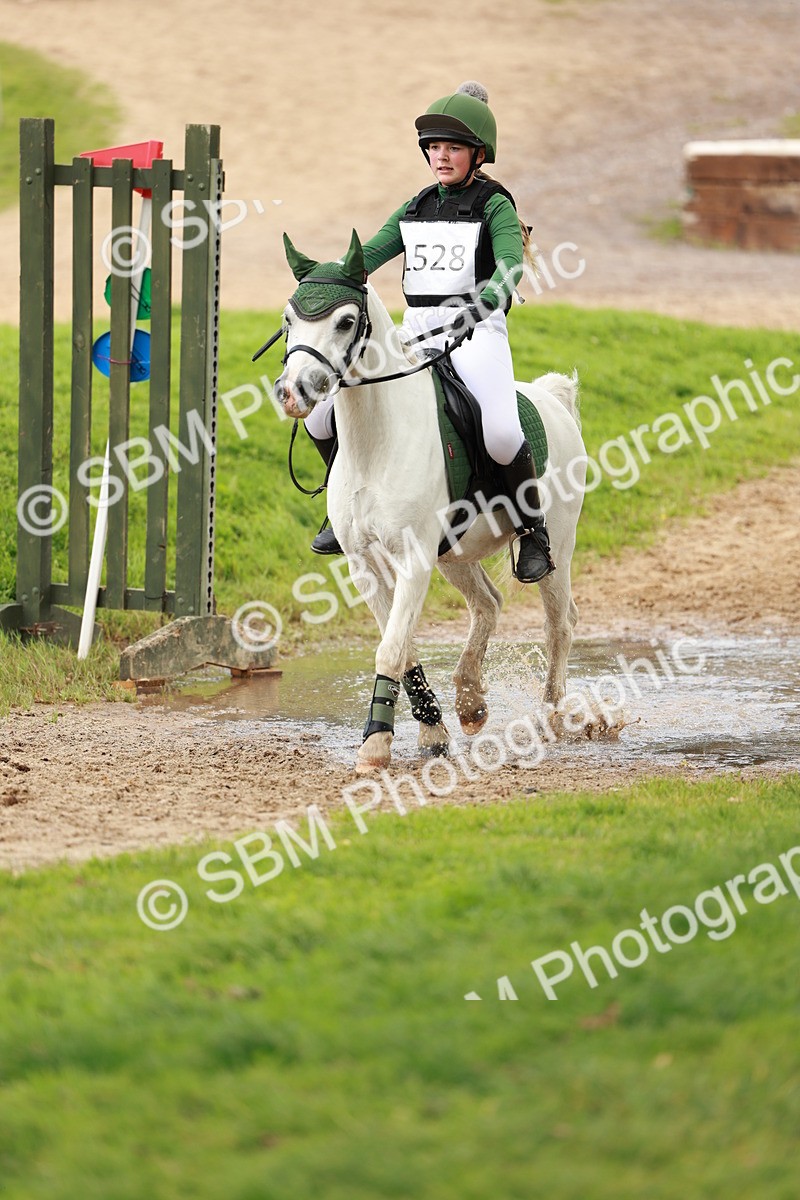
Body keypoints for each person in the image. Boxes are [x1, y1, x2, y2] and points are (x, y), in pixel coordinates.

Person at [304, 80, 555, 583]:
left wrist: (490, 297)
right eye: (434, 147)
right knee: (320, 414)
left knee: (503, 433)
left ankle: (532, 530)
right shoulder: (417, 206)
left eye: (453, 148)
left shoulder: (494, 205)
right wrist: (329, 277)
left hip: (477, 330)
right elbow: (368, 255)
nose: (442, 157)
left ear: (477, 154)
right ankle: (343, 511)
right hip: (415, 332)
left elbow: (509, 264)